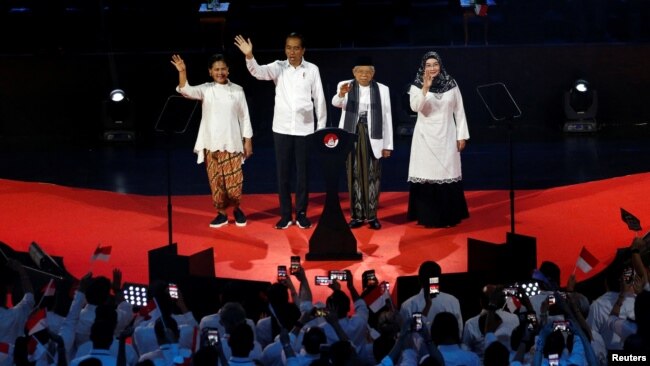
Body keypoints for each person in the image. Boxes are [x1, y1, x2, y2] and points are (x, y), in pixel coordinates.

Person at [234, 32, 327, 230]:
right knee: (282, 174)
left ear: (303, 50)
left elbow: (319, 99)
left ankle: (301, 213)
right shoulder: (279, 67)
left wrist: (321, 129)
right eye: (288, 47)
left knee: (303, 174)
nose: (291, 52)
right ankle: (285, 215)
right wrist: (249, 56)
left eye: (295, 48)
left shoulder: (312, 69)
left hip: (305, 130)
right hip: (282, 128)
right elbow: (258, 72)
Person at [171, 53, 254, 228]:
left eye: (223, 69)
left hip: (232, 143)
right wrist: (182, 71)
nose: (220, 72)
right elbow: (186, 90)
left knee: (234, 183)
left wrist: (248, 140)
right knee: (216, 182)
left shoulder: (237, 90)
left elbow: (245, 117)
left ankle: (237, 209)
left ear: (228, 70)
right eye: (216, 69)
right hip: (211, 143)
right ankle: (222, 214)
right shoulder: (206, 89)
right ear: (210, 72)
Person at [406, 51, 470, 228]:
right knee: (428, 176)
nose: (432, 68)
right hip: (425, 137)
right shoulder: (417, 85)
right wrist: (425, 89)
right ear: (423, 67)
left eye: (435, 64)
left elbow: (459, 110)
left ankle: (449, 216)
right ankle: (428, 217)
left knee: (447, 173)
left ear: (440, 66)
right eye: (428, 65)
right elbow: (415, 107)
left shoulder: (451, 83)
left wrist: (462, 135)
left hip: (447, 135)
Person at [331, 56, 393, 230]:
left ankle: (372, 216)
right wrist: (341, 94)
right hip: (351, 134)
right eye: (360, 71)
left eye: (367, 72)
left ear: (373, 73)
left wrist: (388, 145)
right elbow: (336, 103)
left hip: (373, 135)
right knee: (354, 174)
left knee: (373, 176)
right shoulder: (345, 85)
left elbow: (387, 117)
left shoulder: (382, 89)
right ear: (354, 72)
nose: (364, 75)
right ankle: (357, 216)